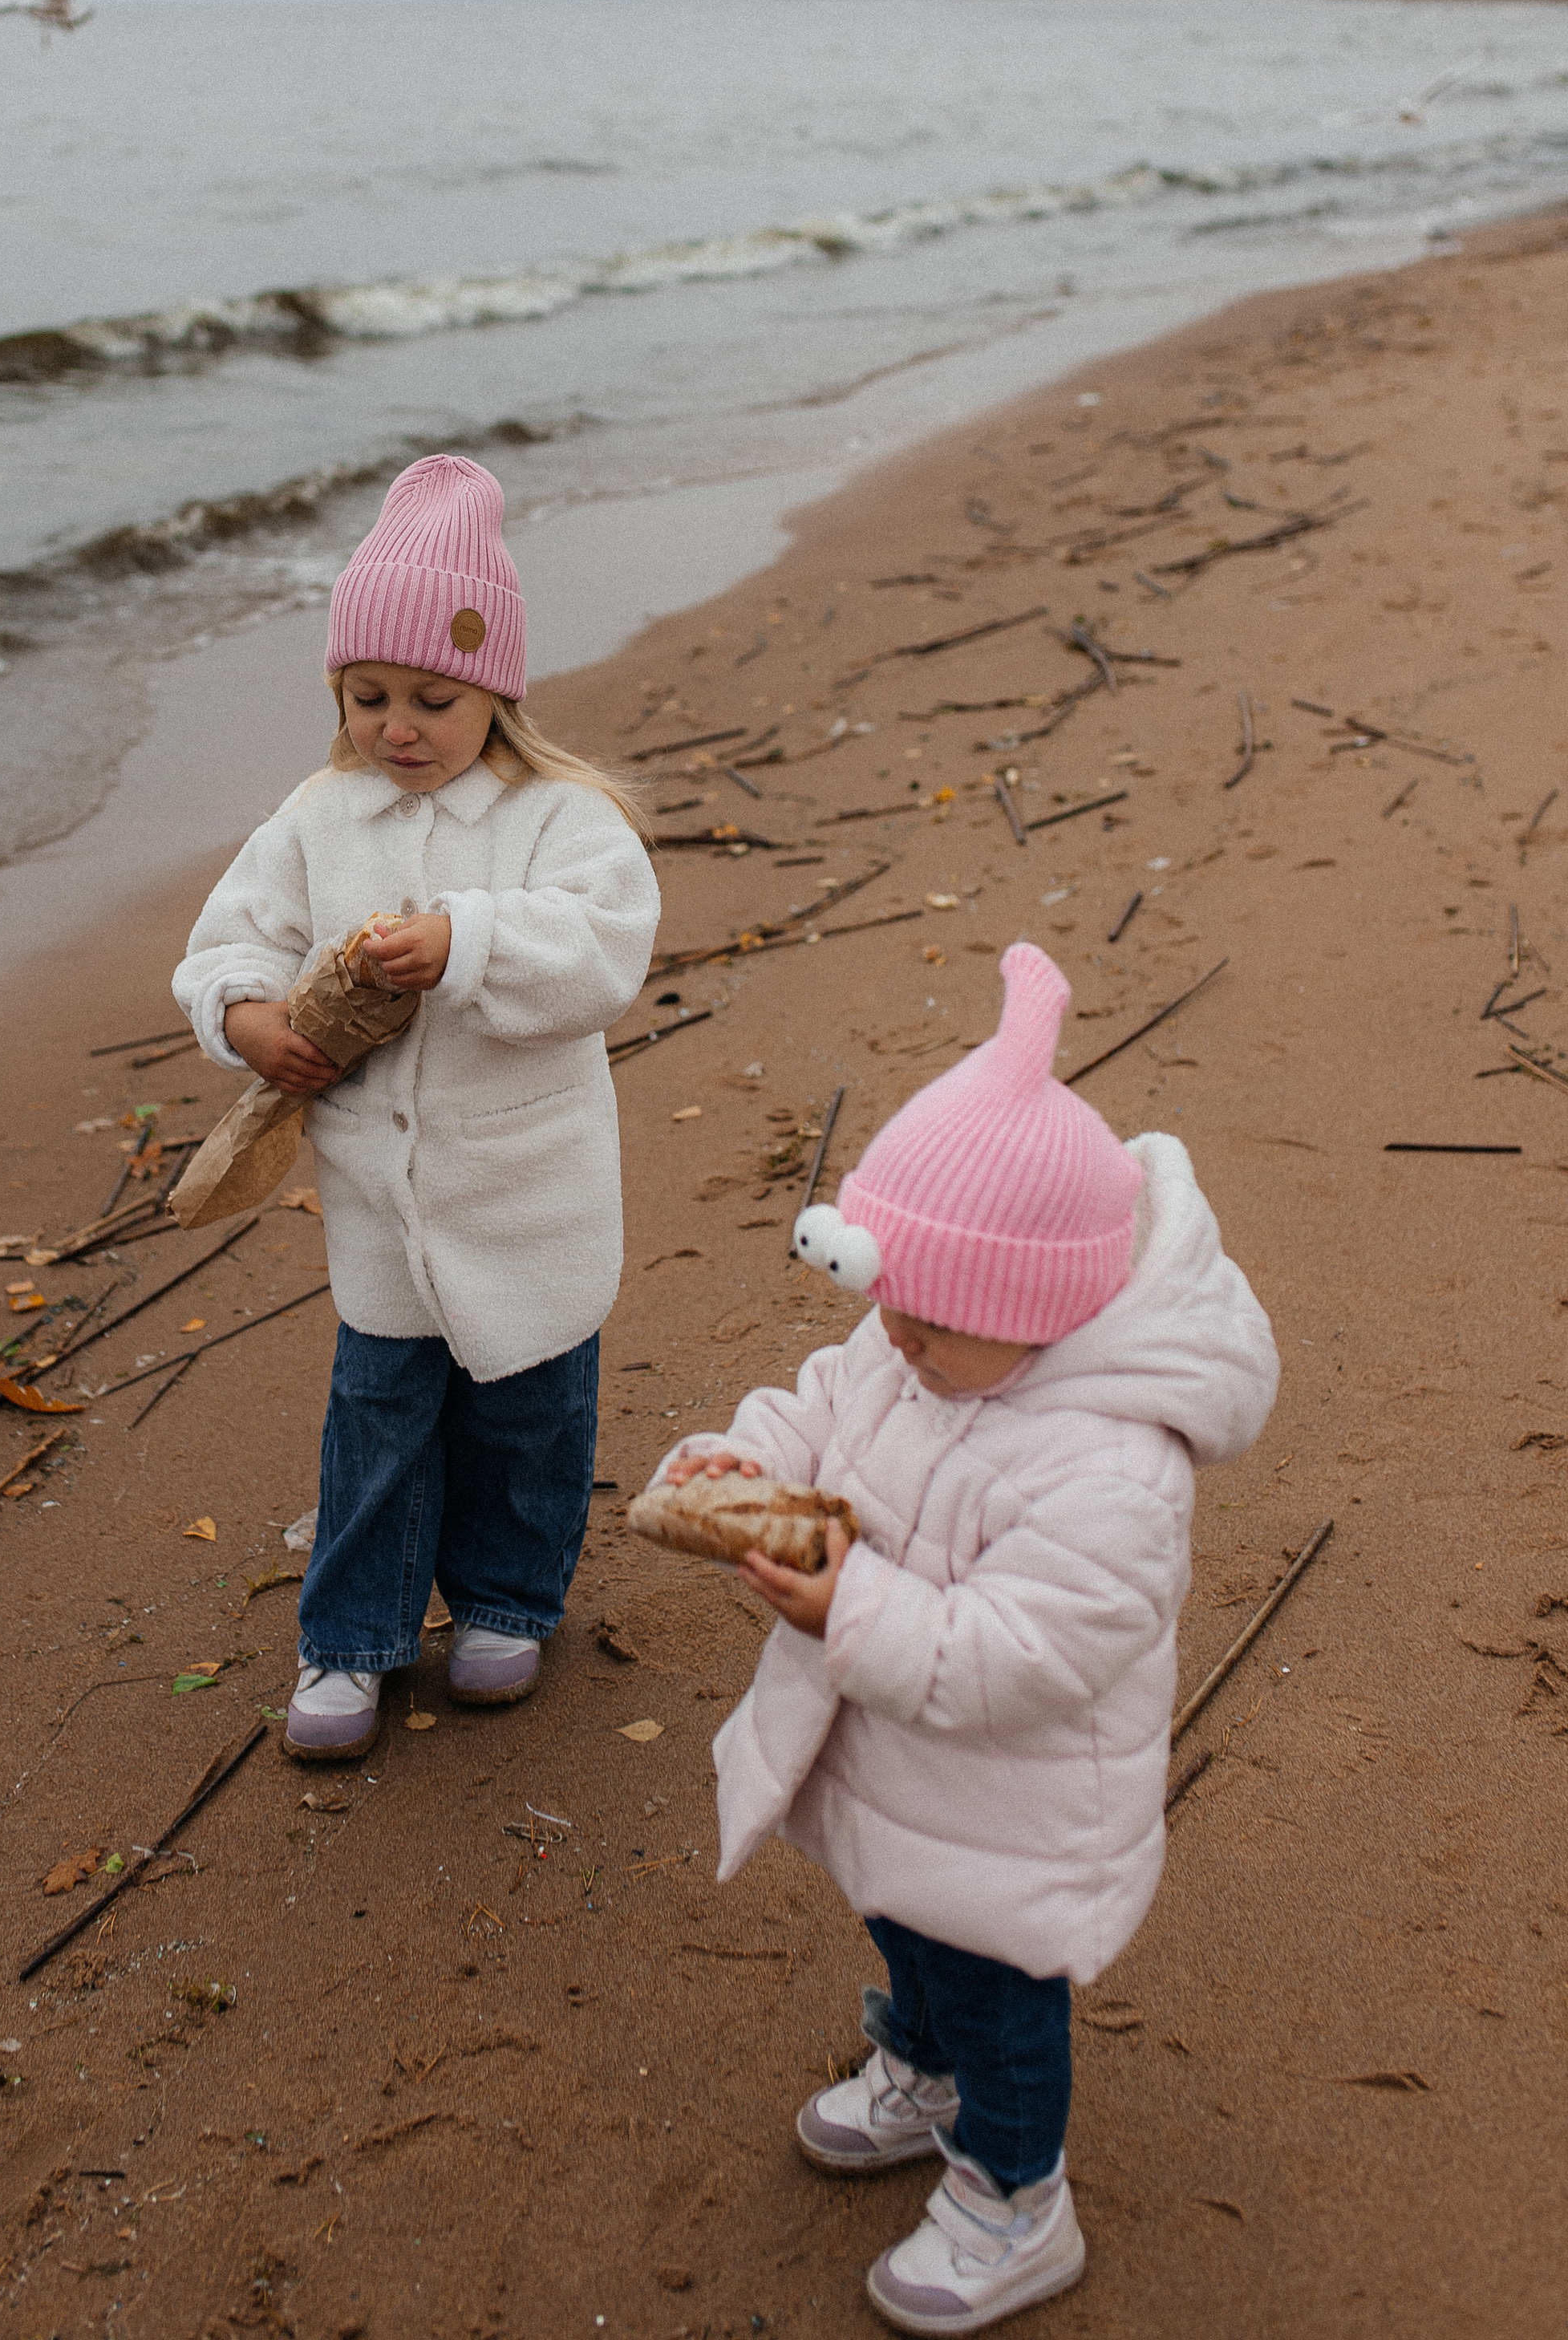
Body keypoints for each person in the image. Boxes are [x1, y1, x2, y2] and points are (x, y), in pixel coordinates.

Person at [650, 943, 1276, 2332]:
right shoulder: (922, 1336)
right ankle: (915, 2066)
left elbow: (1017, 1657)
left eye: (931, 1328)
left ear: (1039, 1311)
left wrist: (842, 1604)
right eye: (893, 1312)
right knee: (906, 1934)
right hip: (898, 1771)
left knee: (999, 1999)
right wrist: (741, 1461)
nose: (899, 1344)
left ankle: (1015, 2196)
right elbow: (827, 1396)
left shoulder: (1110, 1473)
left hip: (1016, 1809)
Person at [172, 453, 659, 1762]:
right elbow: (230, 940)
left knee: (529, 1416)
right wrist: (250, 1019)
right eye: (368, 694)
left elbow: (607, 950)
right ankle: (355, 1637)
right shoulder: (318, 818)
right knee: (379, 1417)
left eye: (433, 698)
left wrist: (469, 941)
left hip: (530, 1191)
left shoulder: (559, 818)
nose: (400, 725)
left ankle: (508, 1597)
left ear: (494, 690)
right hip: (381, 1211)